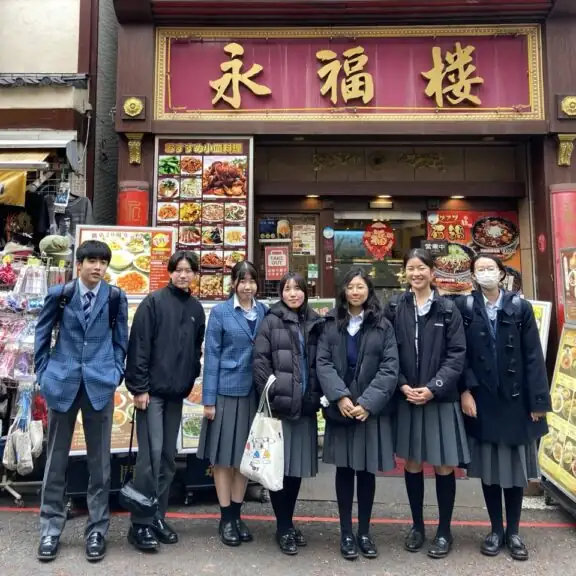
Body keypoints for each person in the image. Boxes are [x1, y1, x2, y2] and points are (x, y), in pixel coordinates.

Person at [34, 240, 129, 563]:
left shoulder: (116, 297)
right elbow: (42, 333)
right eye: (91, 261)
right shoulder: (59, 295)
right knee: (56, 461)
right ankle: (50, 528)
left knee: (100, 463)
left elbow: (121, 341)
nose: (97, 267)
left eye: (103, 262)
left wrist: (115, 371)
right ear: (79, 264)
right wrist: (44, 372)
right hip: (62, 382)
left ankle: (97, 530)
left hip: (100, 384)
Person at [456, 255, 550, 561]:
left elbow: (534, 356)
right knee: (490, 470)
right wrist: (465, 392)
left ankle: (514, 531)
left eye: (490, 269)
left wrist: (538, 401)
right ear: (472, 275)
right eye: (479, 270)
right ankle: (495, 529)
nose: (485, 274)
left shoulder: (520, 307)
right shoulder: (466, 308)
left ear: (502, 274)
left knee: (514, 471)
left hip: (516, 401)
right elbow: (462, 355)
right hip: (483, 400)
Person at [385, 248, 468, 559]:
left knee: (444, 465)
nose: (416, 273)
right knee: (413, 463)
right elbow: (387, 349)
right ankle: (417, 525)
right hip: (407, 395)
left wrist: (434, 387)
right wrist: (402, 384)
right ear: (405, 272)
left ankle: (444, 530)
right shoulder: (395, 306)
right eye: (411, 268)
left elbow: (457, 354)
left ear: (432, 273)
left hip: (439, 398)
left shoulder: (448, 309)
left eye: (421, 268)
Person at [125, 251, 205, 552]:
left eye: (189, 270)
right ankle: (140, 523)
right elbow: (139, 347)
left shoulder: (197, 308)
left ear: (195, 274)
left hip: (176, 395)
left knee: (169, 458)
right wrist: (139, 388)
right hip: (151, 394)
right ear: (170, 272)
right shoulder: (153, 303)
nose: (184, 275)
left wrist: (190, 378)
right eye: (179, 270)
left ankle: (157, 515)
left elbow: (197, 349)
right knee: (150, 458)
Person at [317, 267, 399, 561]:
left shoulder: (382, 325)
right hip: (342, 409)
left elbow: (390, 367)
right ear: (343, 291)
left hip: (368, 411)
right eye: (350, 286)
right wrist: (340, 397)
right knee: (344, 471)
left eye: (360, 287)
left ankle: (364, 531)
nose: (355, 291)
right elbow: (322, 363)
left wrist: (367, 402)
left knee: (366, 472)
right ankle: (345, 532)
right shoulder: (330, 323)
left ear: (369, 291)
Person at [253, 272, 324, 555]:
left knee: (295, 471)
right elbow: (260, 362)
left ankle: (288, 522)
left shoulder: (315, 321)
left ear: (306, 292)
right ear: (280, 292)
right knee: (278, 472)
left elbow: (321, 363)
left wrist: (316, 396)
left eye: (298, 289)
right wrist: (272, 394)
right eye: (287, 289)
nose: (293, 293)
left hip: (304, 407)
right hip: (280, 408)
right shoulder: (271, 320)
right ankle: (283, 527)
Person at [197, 261, 267, 547]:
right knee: (223, 460)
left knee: (244, 460)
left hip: (254, 395)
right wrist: (208, 400)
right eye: (242, 280)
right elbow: (211, 357)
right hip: (226, 393)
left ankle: (237, 515)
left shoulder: (265, 311)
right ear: (234, 284)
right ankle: (226, 517)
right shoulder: (220, 313)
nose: (247, 286)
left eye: (252, 280)